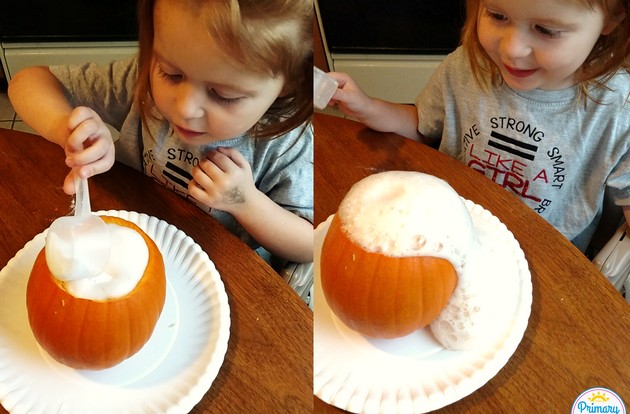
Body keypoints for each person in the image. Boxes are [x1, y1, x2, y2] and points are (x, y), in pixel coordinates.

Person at [8, 0, 313, 266]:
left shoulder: (286, 143)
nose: (185, 108)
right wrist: (68, 127)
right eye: (171, 73)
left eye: (224, 95)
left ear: (289, 82)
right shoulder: (138, 83)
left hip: (220, 275)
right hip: (128, 243)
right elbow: (28, 82)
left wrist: (246, 203)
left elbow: (309, 245)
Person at [328, 0, 629, 253]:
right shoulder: (465, 67)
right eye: (497, 16)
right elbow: (422, 126)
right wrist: (367, 106)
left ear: (613, 17)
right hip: (446, 232)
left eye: (546, 30)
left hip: (544, 259)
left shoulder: (619, 107)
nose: (512, 49)